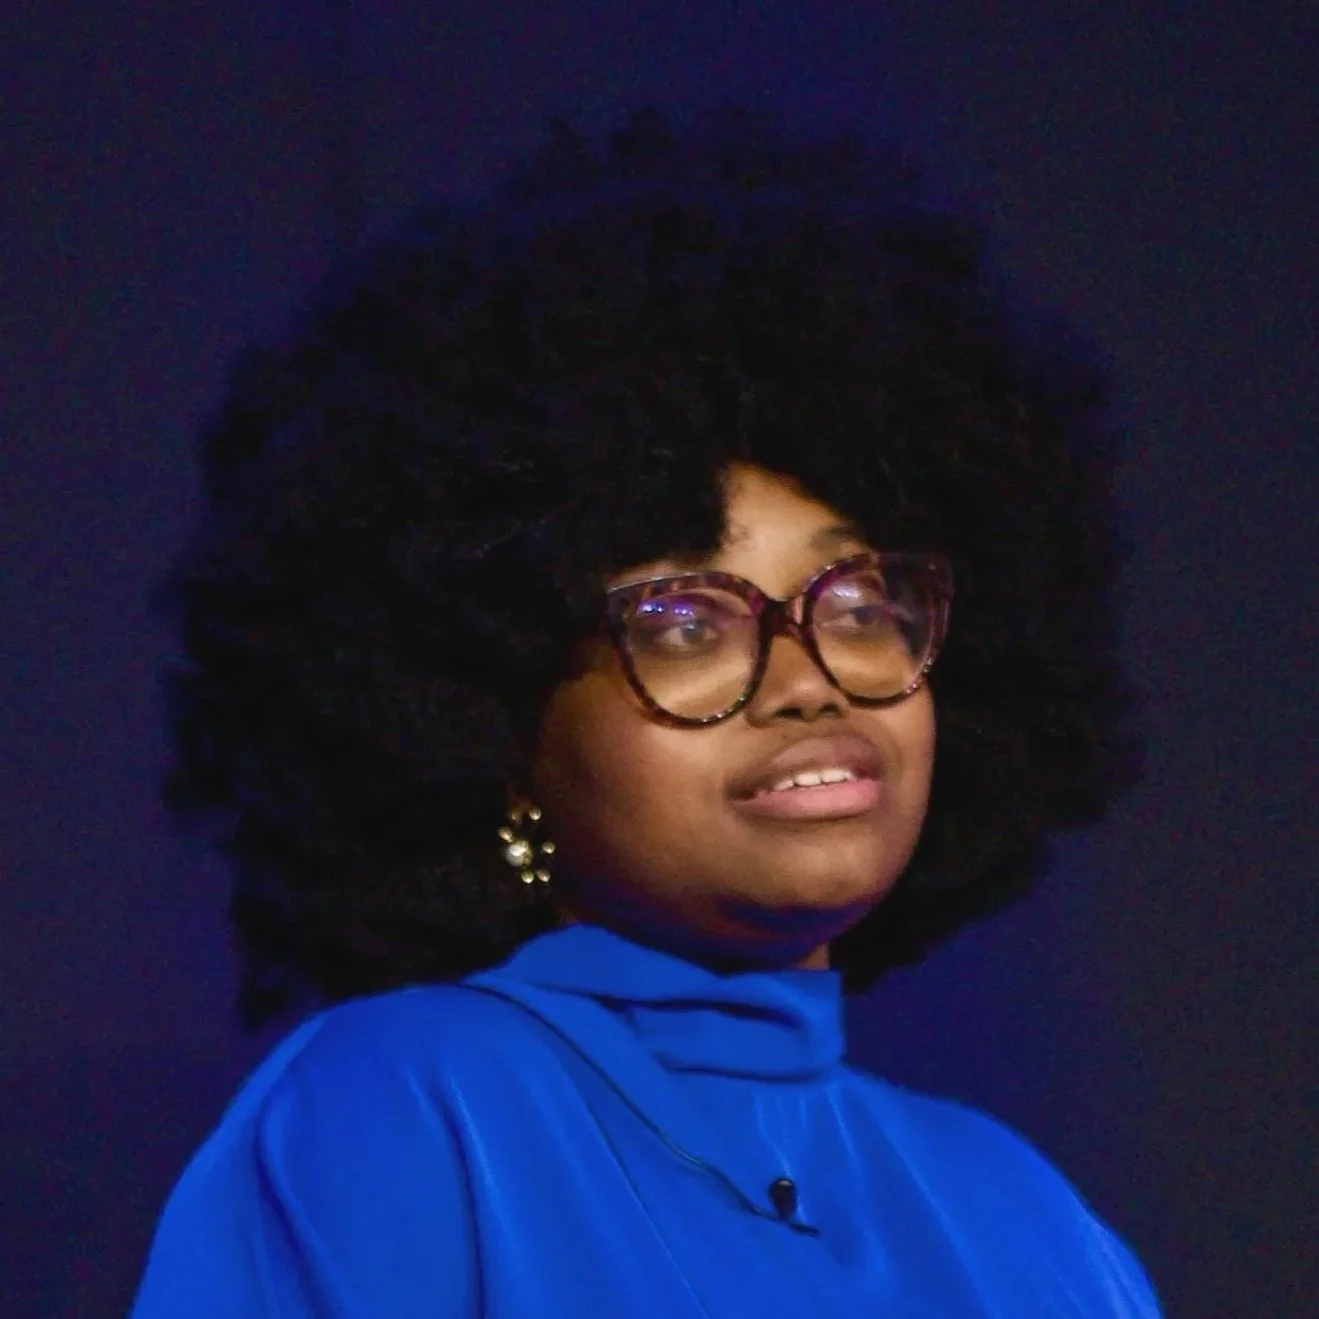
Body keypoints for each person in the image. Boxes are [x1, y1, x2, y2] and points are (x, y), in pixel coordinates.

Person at [130, 107, 1162, 1316]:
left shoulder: (1024, 1211)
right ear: (487, 724)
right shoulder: (402, 1110)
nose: (806, 674)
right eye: (684, 622)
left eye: (859, 600)